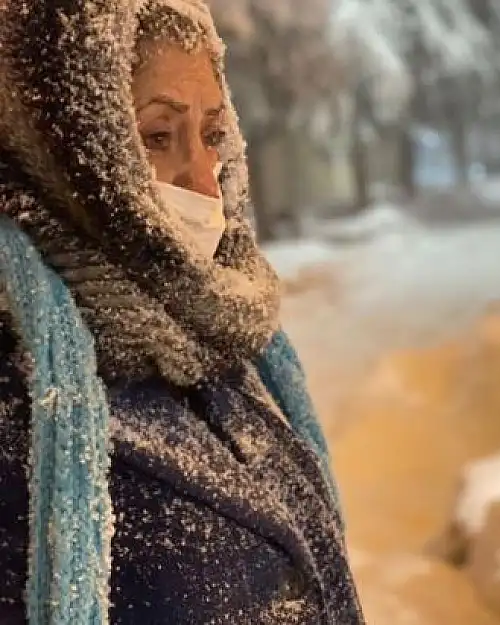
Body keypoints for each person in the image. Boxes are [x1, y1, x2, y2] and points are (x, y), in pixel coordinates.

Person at [0, 1, 364, 623]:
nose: (203, 178)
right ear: (69, 155)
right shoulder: (24, 408)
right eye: (158, 137)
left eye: (214, 134)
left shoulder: (217, 357)